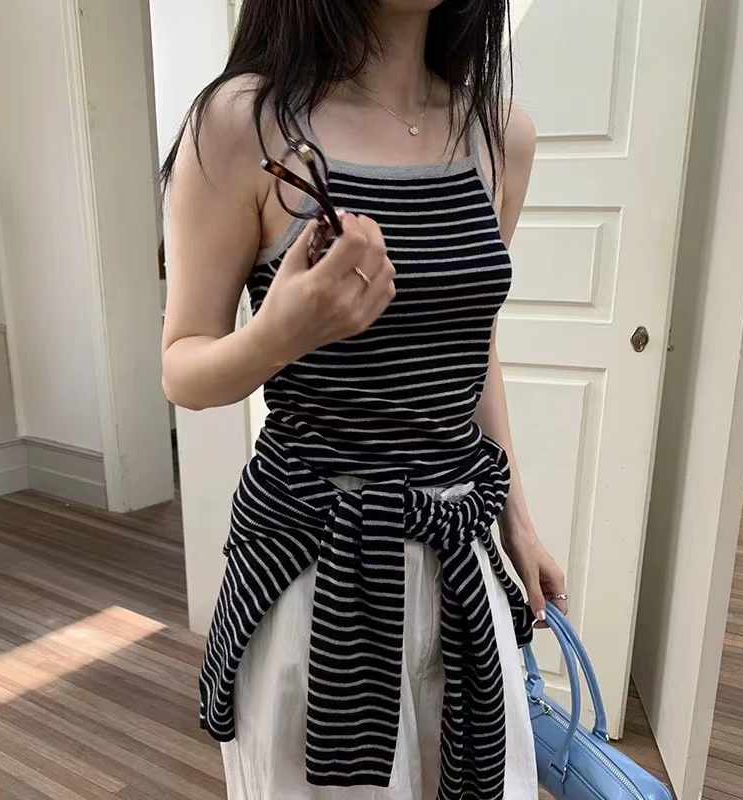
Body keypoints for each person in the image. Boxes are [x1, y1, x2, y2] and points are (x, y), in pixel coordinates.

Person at [159, 1, 568, 798]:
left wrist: (518, 521)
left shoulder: (499, 135)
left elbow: (472, 341)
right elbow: (183, 366)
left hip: (461, 558)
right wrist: (279, 334)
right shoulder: (247, 123)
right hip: (316, 569)